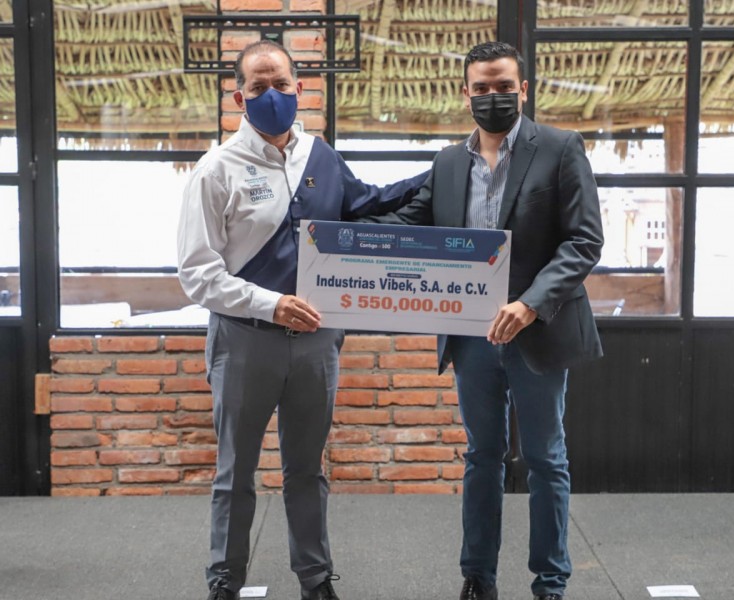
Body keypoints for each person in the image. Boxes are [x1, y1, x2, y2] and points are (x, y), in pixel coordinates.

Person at [177, 40, 426, 600]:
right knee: (235, 472)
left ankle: (315, 580)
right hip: (244, 340)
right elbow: (197, 274)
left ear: (299, 88)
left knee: (307, 470)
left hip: (316, 342)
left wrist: (443, 173)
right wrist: (271, 303)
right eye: (258, 87)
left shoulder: (320, 157)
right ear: (239, 97)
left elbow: (370, 204)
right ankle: (224, 582)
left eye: (281, 84)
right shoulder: (216, 170)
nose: (272, 95)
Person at [361, 41, 604, 600]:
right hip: (471, 336)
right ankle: (478, 578)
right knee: (481, 457)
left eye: (503, 86)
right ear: (465, 93)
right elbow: (412, 222)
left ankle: (550, 583)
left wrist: (529, 304)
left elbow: (584, 241)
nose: (493, 96)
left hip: (538, 329)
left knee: (545, 458)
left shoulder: (561, 148)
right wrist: (337, 239)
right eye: (482, 88)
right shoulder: (449, 162)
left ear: (524, 90)